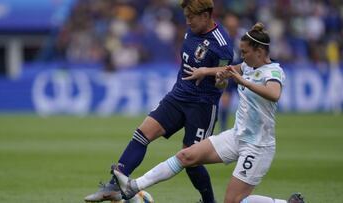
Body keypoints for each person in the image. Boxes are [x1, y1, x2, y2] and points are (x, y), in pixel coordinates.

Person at [112, 23, 306, 203]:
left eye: (245, 52)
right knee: (185, 156)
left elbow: (274, 94)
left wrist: (242, 81)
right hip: (237, 136)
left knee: (232, 202)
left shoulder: (273, 72)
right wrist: (207, 72)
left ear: (260, 51)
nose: (242, 55)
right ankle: (133, 186)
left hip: (258, 146)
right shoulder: (247, 66)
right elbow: (228, 69)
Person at [84, 0, 234, 202]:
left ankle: (209, 201)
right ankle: (113, 186)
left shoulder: (221, 44)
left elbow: (226, 74)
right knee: (142, 134)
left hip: (202, 106)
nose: (187, 21)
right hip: (178, 96)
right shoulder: (190, 31)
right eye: (186, 16)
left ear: (206, 15)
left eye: (191, 17)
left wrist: (208, 73)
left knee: (191, 159)